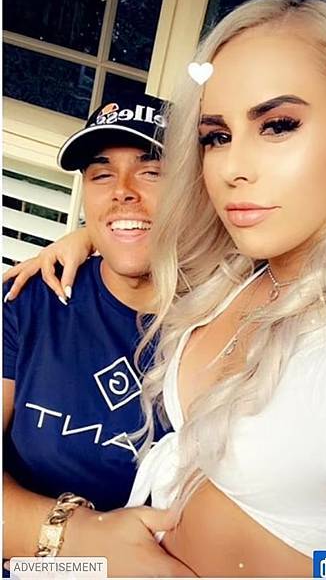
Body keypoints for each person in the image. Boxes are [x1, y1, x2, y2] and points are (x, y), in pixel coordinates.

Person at [5, 0, 326, 578]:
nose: (236, 167)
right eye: (217, 136)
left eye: (278, 126)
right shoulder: (237, 276)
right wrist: (88, 239)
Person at [3, 96, 194, 577]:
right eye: (102, 174)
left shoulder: (226, 326)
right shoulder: (28, 299)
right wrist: (79, 538)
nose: (123, 191)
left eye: (152, 171)